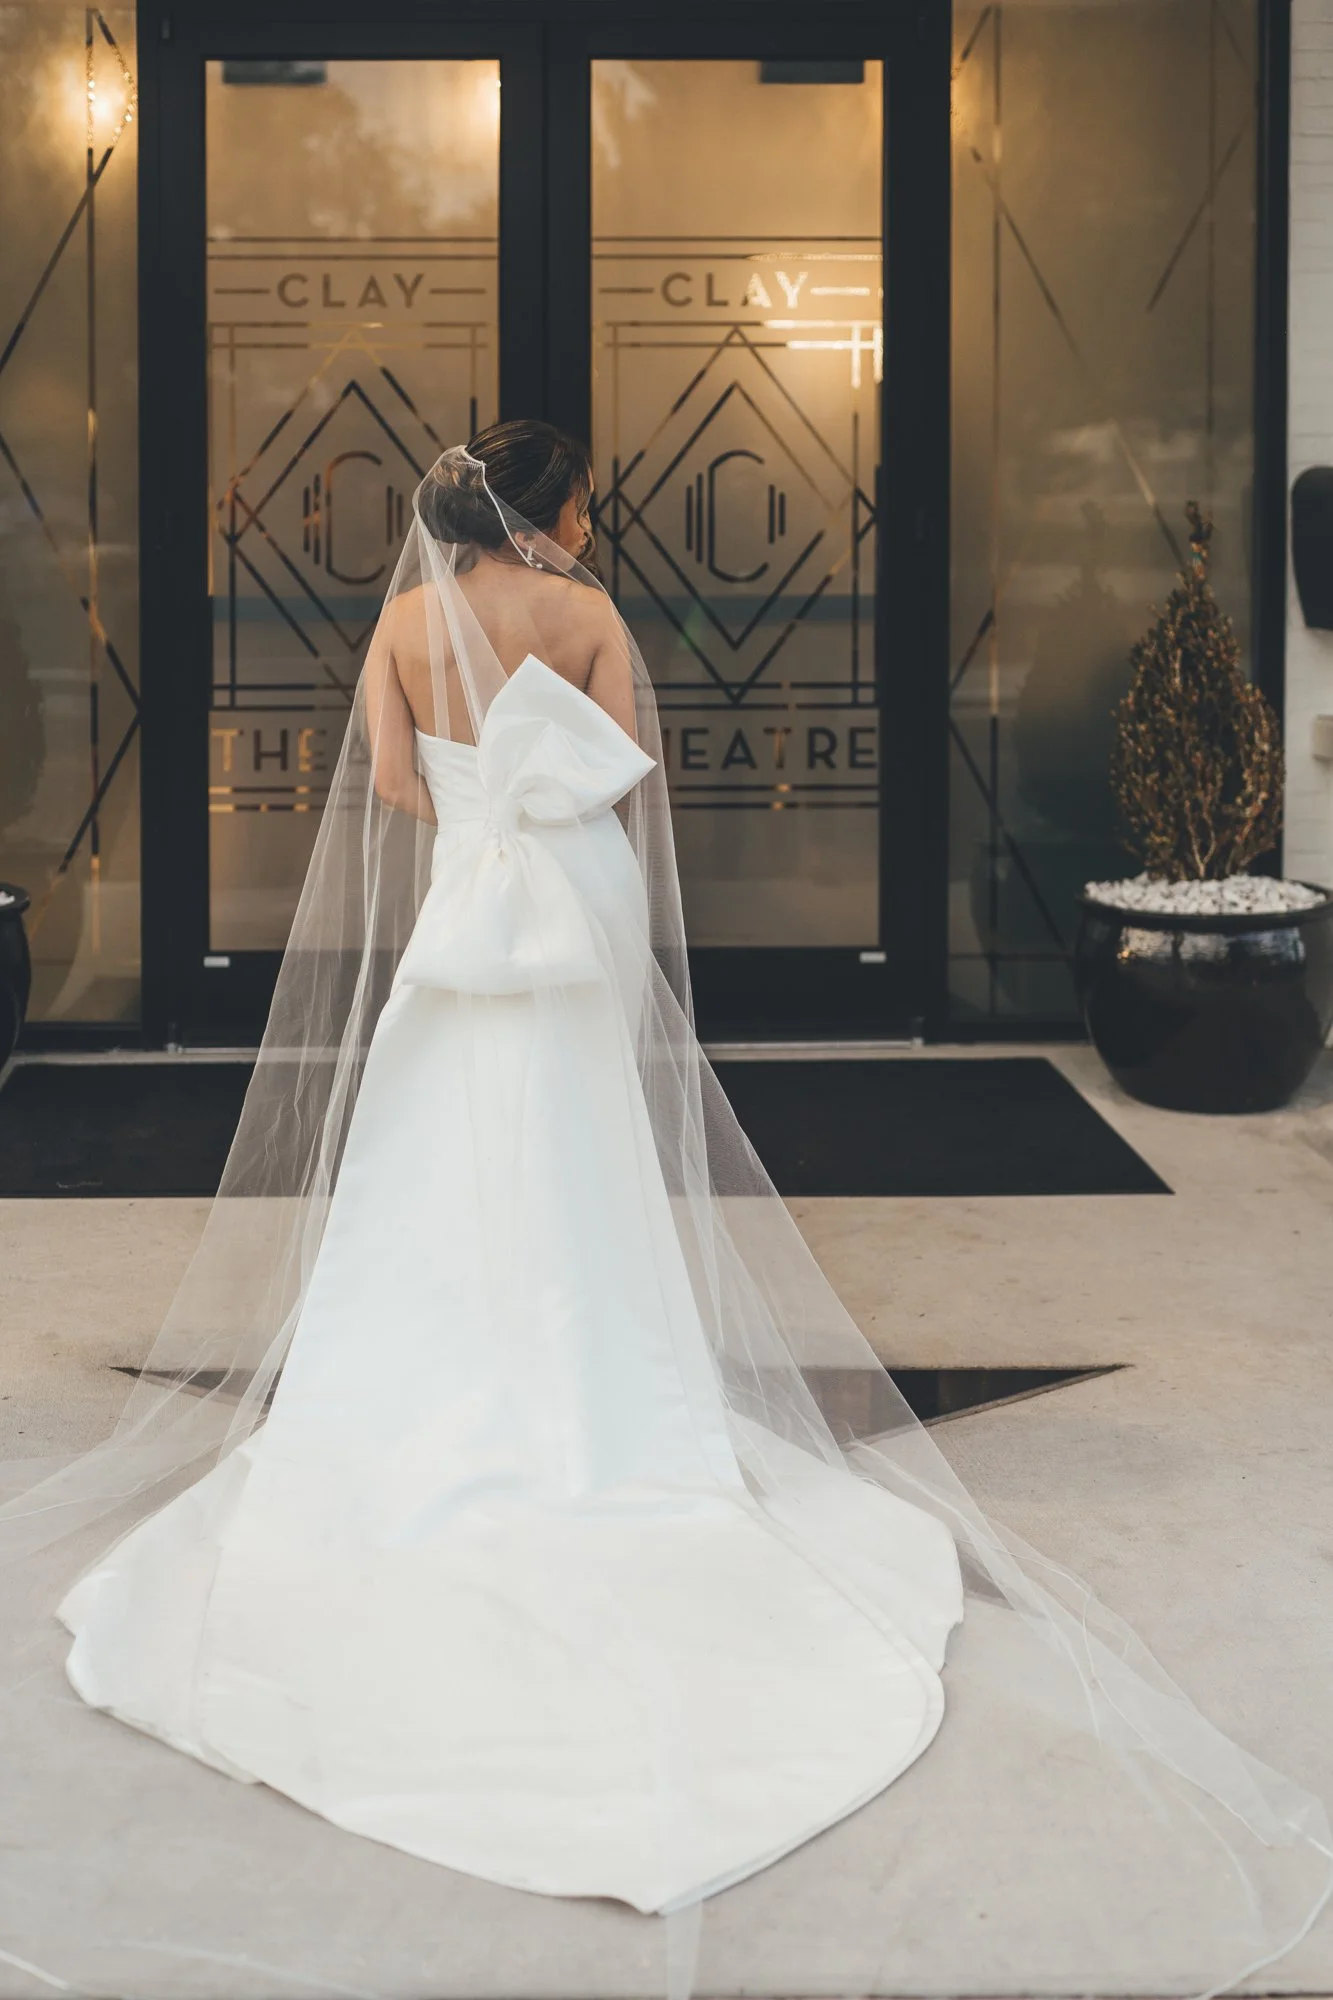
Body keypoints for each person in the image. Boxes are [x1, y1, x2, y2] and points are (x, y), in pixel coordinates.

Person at [0, 424, 1329, 1998]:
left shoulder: (408, 620)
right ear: (552, 511)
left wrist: (477, 822)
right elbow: (644, 783)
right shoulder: (592, 615)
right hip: (570, 913)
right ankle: (598, 1413)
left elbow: (384, 786)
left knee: (436, 1155)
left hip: (464, 927)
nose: (583, 529)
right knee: (584, 1158)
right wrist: (547, 821)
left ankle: (420, 1403)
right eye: (578, 509)